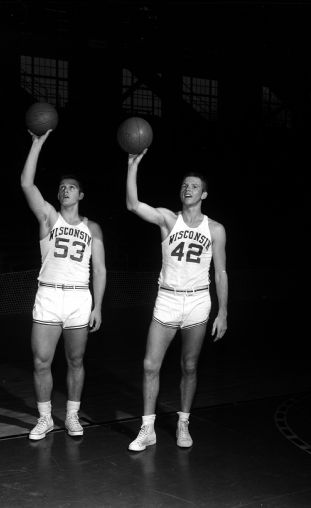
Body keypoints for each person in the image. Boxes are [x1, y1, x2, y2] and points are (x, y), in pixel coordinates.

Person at [125, 149, 228, 451]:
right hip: (167, 299)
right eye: (184, 185)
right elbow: (133, 205)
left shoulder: (216, 229)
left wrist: (223, 312)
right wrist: (132, 166)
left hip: (198, 302)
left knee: (190, 365)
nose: (188, 189)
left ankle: (183, 422)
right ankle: (147, 429)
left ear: (204, 194)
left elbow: (220, 273)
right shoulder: (168, 220)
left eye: (194, 186)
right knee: (149, 365)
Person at [21, 128, 106, 440]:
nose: (66, 190)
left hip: (78, 300)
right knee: (41, 361)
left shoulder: (92, 227)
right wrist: (37, 144)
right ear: (58, 195)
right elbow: (26, 184)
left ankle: (71, 415)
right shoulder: (49, 218)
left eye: (72, 187)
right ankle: (45, 418)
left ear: (81, 195)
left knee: (76, 360)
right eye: (62, 187)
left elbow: (100, 269)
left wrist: (98, 305)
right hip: (49, 295)